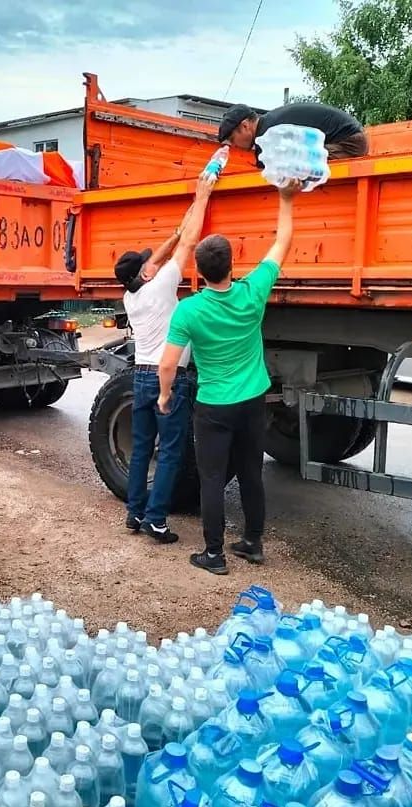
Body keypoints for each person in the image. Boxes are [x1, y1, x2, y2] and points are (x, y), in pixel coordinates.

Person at [156, 178, 302, 575]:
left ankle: (214, 554)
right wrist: (285, 198)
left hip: (214, 406)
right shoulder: (253, 292)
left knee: (213, 478)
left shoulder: (189, 311)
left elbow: (168, 364)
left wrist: (164, 396)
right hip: (253, 400)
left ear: (199, 271)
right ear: (232, 265)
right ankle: (253, 543)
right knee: (251, 472)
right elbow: (282, 242)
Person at [114, 174, 217, 543]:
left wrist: (174, 231)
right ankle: (156, 521)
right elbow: (191, 243)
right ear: (145, 274)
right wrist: (202, 197)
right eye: (146, 264)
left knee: (143, 449)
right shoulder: (161, 285)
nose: (152, 262)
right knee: (171, 452)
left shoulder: (132, 295)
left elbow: (163, 253)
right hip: (167, 378)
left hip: (140, 375)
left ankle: (134, 513)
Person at [218, 102, 368, 164]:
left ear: (245, 126)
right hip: (350, 137)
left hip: (348, 144)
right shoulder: (269, 123)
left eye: (232, 139)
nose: (233, 145)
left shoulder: (268, 135)